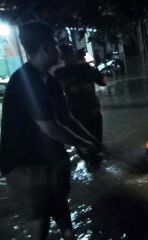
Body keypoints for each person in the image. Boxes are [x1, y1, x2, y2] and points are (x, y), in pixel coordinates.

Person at [0, 21, 101, 240]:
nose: (59, 49)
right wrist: (83, 144)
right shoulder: (25, 81)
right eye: (56, 44)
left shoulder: (51, 81)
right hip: (24, 163)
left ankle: (69, 235)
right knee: (40, 217)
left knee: (59, 201)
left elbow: (67, 118)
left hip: (49, 157)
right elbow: (50, 127)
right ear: (46, 48)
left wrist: (90, 139)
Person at [55, 44, 107, 169]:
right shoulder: (85, 69)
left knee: (86, 146)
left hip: (80, 114)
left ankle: (93, 167)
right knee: (92, 144)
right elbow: (103, 82)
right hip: (82, 114)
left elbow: (103, 82)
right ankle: (95, 167)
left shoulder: (60, 73)